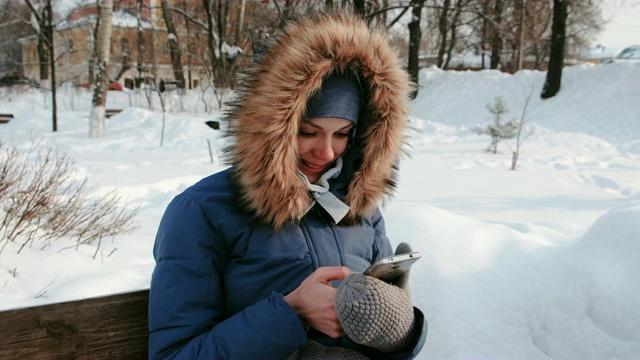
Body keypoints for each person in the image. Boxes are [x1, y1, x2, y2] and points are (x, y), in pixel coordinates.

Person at [148, 10, 427, 359]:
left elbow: (385, 339)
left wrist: (398, 329)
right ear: (272, 127)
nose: (326, 152)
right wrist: (290, 312)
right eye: (308, 132)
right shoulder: (203, 211)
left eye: (341, 134)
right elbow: (173, 355)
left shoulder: (358, 207)